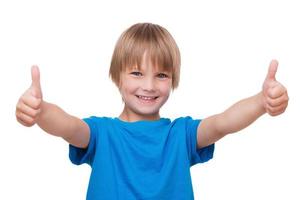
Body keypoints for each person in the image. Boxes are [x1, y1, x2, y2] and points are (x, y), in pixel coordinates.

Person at [15, 23, 289, 200]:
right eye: (136, 72)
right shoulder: (102, 133)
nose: (148, 85)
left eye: (161, 75)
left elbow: (223, 123)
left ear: (173, 79)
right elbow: (69, 127)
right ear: (116, 76)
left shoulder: (180, 134)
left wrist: (261, 102)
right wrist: (40, 111)